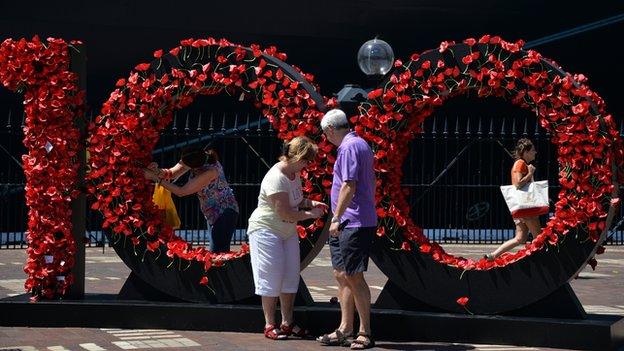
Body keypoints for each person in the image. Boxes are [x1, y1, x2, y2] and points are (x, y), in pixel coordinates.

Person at [246, 136, 328, 340]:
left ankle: (287, 322)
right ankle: (269, 323)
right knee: (271, 276)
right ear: (296, 157)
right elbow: (284, 212)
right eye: (306, 161)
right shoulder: (276, 177)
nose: (308, 165)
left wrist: (312, 203)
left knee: (290, 276)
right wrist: (310, 215)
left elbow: (297, 200)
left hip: (287, 231)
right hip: (266, 229)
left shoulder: (293, 173)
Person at [317, 109, 377, 350]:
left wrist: (336, 217)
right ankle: (345, 328)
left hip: (351, 222)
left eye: (325, 134)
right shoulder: (358, 144)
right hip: (351, 221)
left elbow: (348, 185)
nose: (326, 139)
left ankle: (364, 332)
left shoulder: (349, 147)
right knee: (341, 275)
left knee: (353, 275)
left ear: (331, 130)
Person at [144, 146, 239, 253]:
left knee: (217, 253)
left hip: (224, 212)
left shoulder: (210, 172)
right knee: (217, 252)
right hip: (212, 213)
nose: (182, 164)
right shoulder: (196, 157)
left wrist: (154, 177)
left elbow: (181, 191)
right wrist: (157, 171)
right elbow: (171, 173)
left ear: (194, 167)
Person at [486, 138, 541, 260]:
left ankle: (493, 256)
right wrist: (530, 173)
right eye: (533, 150)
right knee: (539, 237)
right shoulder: (520, 163)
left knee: (520, 238)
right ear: (525, 152)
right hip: (526, 208)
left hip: (521, 208)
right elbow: (518, 184)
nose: (535, 152)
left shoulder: (523, 164)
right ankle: (540, 263)